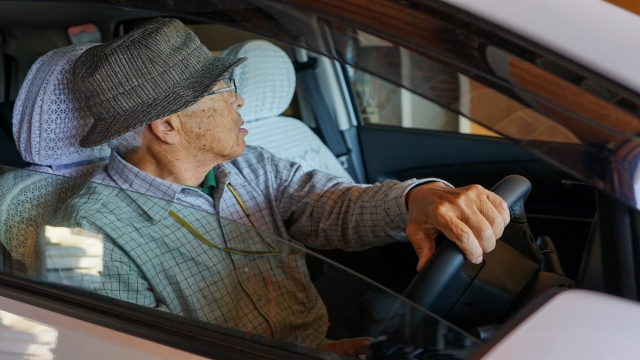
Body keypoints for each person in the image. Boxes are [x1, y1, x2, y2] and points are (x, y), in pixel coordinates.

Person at [50, 18, 509, 357]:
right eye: (221, 86)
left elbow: (334, 206)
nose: (240, 98)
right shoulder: (86, 234)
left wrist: (417, 199)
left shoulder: (250, 166)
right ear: (167, 126)